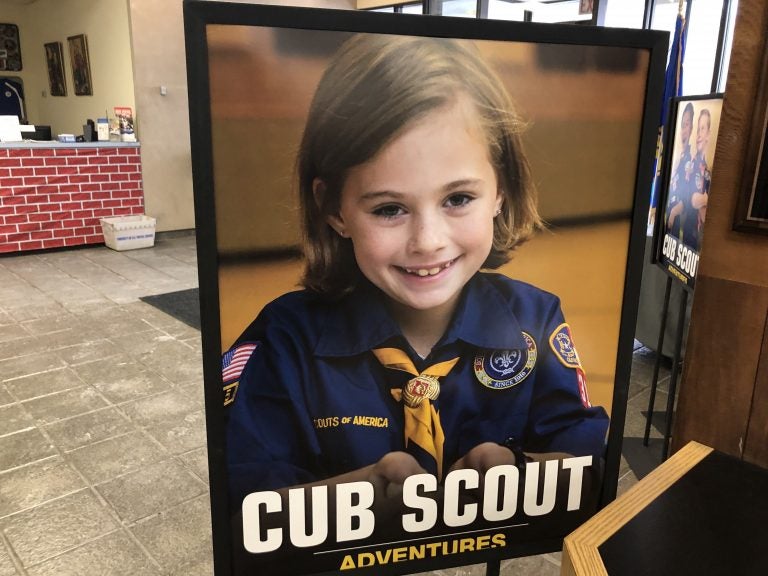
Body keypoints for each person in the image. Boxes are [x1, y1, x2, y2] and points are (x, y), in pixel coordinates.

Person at [223, 34, 610, 516]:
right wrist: (362, 494)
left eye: (458, 199)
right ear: (333, 208)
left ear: (501, 191)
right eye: (389, 208)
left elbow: (591, 461)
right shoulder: (284, 342)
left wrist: (524, 467)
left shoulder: (538, 318)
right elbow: (245, 499)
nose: (427, 240)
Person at [666, 102, 694, 238]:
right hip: (665, 212)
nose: (684, 129)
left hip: (675, 219)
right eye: (682, 125)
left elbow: (687, 198)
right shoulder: (675, 157)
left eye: (687, 124)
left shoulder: (691, 161)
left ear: (691, 128)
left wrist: (673, 213)